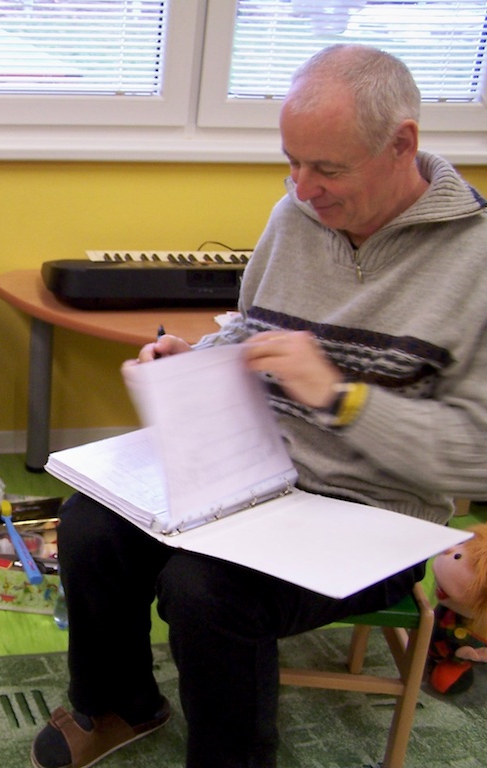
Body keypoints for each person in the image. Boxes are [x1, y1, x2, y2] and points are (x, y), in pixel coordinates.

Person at [30, 43, 487, 768]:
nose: (302, 189)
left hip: (375, 518)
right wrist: (198, 359)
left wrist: (341, 398)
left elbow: (476, 455)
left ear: (402, 144)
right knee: (90, 525)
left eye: (327, 168)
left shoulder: (476, 260)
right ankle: (120, 704)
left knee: (205, 591)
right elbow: (251, 329)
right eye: (291, 162)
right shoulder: (295, 214)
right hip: (251, 476)